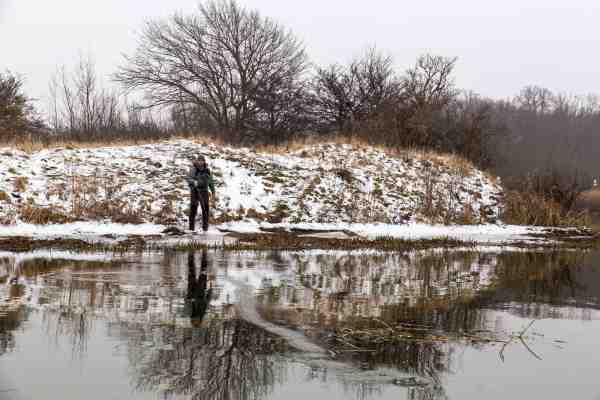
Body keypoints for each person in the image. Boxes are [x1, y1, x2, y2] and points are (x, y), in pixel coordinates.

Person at [185, 155, 216, 232]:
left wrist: (213, 191)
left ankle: (205, 229)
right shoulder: (193, 169)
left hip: (204, 191)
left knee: (206, 210)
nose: (200, 162)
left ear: (204, 161)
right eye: (199, 160)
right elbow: (188, 178)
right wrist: (194, 182)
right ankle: (191, 229)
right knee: (193, 209)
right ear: (197, 161)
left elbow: (211, 182)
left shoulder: (207, 170)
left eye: (202, 160)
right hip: (195, 191)